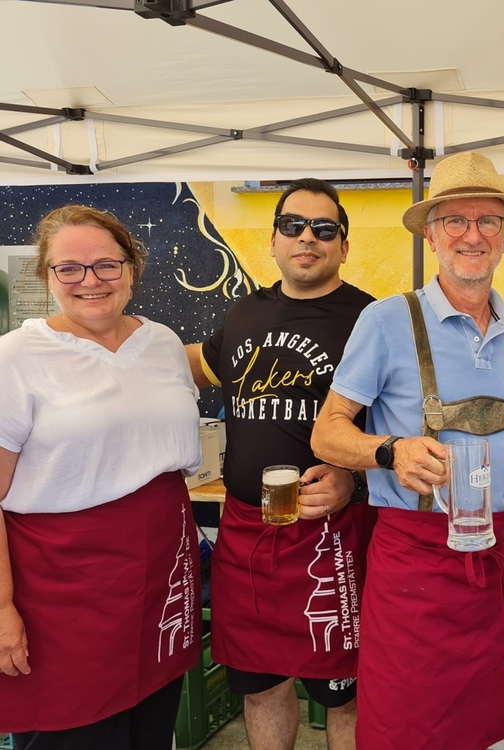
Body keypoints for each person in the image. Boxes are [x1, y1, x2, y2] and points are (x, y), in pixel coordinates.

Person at [310, 151, 504, 750]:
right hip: (415, 563)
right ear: (432, 235)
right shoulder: (387, 321)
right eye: (455, 220)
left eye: (488, 221)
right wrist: (391, 452)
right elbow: (327, 432)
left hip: (493, 557)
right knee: (403, 729)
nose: (472, 235)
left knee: (480, 726)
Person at [0, 205, 202, 749]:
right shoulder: (14, 359)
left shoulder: (162, 342)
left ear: (131, 269)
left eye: (106, 265)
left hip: (162, 569)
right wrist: (0, 608)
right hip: (61, 585)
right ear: (47, 277)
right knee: (74, 732)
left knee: (152, 726)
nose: (90, 280)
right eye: (69, 268)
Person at [186, 179, 377, 750]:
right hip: (248, 534)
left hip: (333, 537)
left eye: (324, 229)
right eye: (292, 226)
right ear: (273, 240)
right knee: (261, 688)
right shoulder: (246, 311)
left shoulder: (372, 319)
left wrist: (355, 478)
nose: (307, 238)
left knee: (345, 694)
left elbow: (406, 427)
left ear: (344, 245)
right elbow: (194, 366)